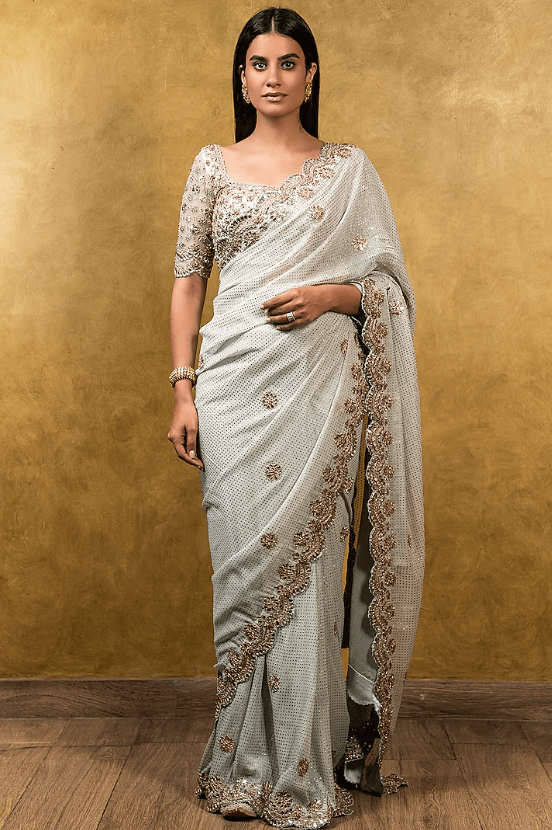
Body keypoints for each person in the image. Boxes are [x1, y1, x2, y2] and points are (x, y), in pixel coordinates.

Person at [168, 7, 424, 828]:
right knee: (242, 576)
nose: (272, 77)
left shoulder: (350, 171)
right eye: (258, 63)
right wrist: (183, 389)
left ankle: (303, 772)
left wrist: (330, 296)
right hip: (232, 391)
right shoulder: (211, 167)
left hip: (319, 393)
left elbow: (386, 290)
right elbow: (188, 280)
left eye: (288, 62)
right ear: (241, 78)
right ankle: (241, 766)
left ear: (311, 76)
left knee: (309, 578)